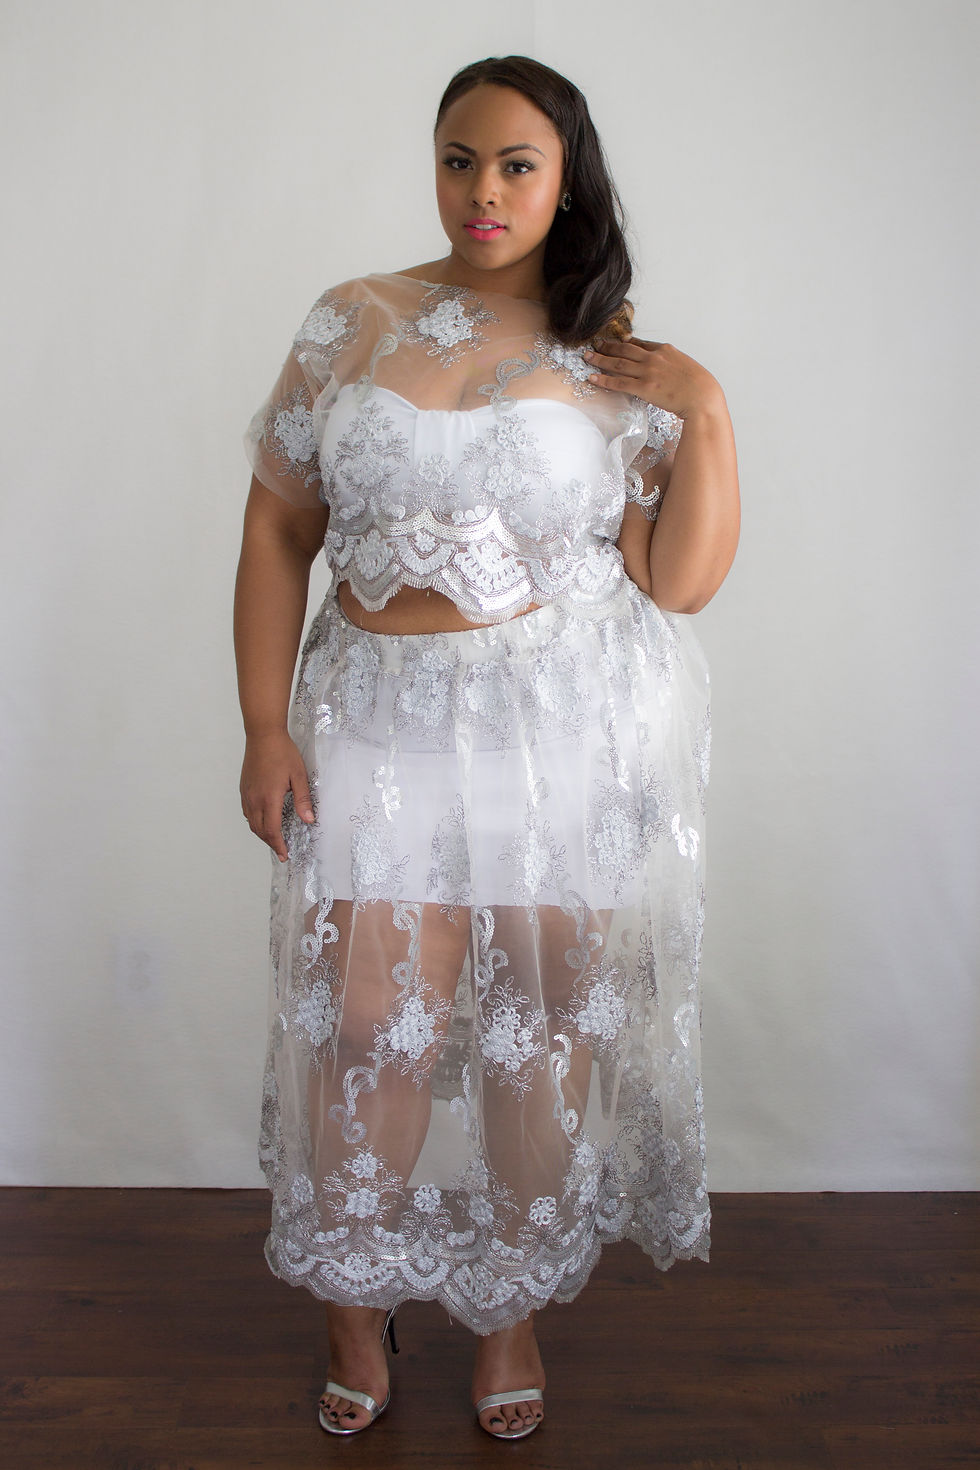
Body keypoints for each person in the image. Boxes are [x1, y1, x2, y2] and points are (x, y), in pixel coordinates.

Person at [234, 54, 739, 1442]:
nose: (484, 191)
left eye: (518, 164)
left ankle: (508, 1304)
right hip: (372, 722)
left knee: (543, 1024)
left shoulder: (607, 350)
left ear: (566, 179)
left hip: (553, 735)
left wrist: (704, 404)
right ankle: (354, 1301)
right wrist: (266, 725)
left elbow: (680, 579)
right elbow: (279, 525)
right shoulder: (354, 317)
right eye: (460, 159)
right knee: (364, 1024)